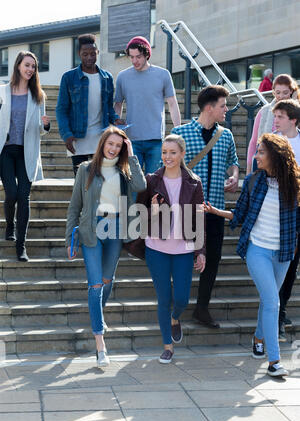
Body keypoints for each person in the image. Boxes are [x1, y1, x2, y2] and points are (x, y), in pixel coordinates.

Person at [203, 133, 300, 377]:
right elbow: (241, 214)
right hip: (257, 249)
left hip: (284, 252)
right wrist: (216, 211)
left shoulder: (295, 184)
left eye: (261, 152)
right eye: (256, 151)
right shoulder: (254, 181)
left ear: (275, 156)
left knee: (270, 299)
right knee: (272, 301)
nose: (255, 156)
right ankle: (274, 361)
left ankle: (258, 338)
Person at [65, 126, 146, 367]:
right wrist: (69, 237)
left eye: (118, 146)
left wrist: (131, 155)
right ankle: (100, 343)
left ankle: (96, 313)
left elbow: (141, 187)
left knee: (107, 280)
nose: (113, 149)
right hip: (91, 230)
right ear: (102, 144)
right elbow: (74, 206)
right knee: (96, 283)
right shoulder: (85, 169)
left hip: (116, 229)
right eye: (110, 144)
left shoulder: (125, 171)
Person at [172, 85, 239, 329]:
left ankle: (202, 308)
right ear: (209, 108)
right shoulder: (179, 133)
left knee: (213, 259)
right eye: (223, 106)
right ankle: (176, 308)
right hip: (187, 210)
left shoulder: (227, 135)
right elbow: (166, 166)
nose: (226, 110)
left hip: (215, 210)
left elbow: (233, 160)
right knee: (182, 258)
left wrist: (234, 174)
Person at [136, 134, 206, 364]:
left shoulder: (194, 182)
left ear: (182, 154)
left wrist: (200, 250)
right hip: (156, 247)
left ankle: (176, 318)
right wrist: (152, 209)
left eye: (173, 152)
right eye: (164, 152)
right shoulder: (151, 180)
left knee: (182, 299)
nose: (167, 157)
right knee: (164, 298)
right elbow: (138, 213)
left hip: (184, 248)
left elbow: (198, 219)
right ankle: (167, 346)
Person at [0, 51, 50, 262]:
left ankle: (21, 245)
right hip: (5, 150)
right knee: (11, 193)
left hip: (26, 151)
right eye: (27, 65)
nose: (30, 69)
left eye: (33, 66)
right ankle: (9, 224)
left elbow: (41, 129)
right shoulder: (3, 91)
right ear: (18, 65)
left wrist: (46, 125)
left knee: (24, 196)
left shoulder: (38, 96)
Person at [56, 34, 122, 176]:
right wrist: (66, 135)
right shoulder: (69, 77)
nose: (89, 57)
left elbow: (108, 108)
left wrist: (116, 118)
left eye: (93, 54)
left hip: (101, 137)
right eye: (85, 54)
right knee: (81, 183)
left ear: (97, 53)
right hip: (78, 138)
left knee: (100, 181)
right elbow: (62, 109)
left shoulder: (106, 77)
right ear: (79, 54)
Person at [114, 36, 181, 174]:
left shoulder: (163, 75)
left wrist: (178, 131)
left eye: (138, 57)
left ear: (147, 54)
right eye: (131, 57)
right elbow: (118, 105)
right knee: (133, 184)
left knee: (154, 185)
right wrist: (117, 130)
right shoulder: (122, 77)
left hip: (156, 140)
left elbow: (173, 104)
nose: (134, 61)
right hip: (131, 140)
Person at [272, 99, 300, 340]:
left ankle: (279, 315)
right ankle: (271, 312)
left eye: (280, 116)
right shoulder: (273, 143)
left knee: (291, 263)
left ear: (293, 119)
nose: (276, 120)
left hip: (297, 210)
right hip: (274, 210)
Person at [247, 74, 300, 174]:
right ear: (273, 92)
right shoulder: (264, 112)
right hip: (266, 166)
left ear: (292, 92)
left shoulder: (297, 113)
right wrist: (249, 170)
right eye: (278, 92)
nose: (281, 96)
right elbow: (254, 142)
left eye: (285, 92)